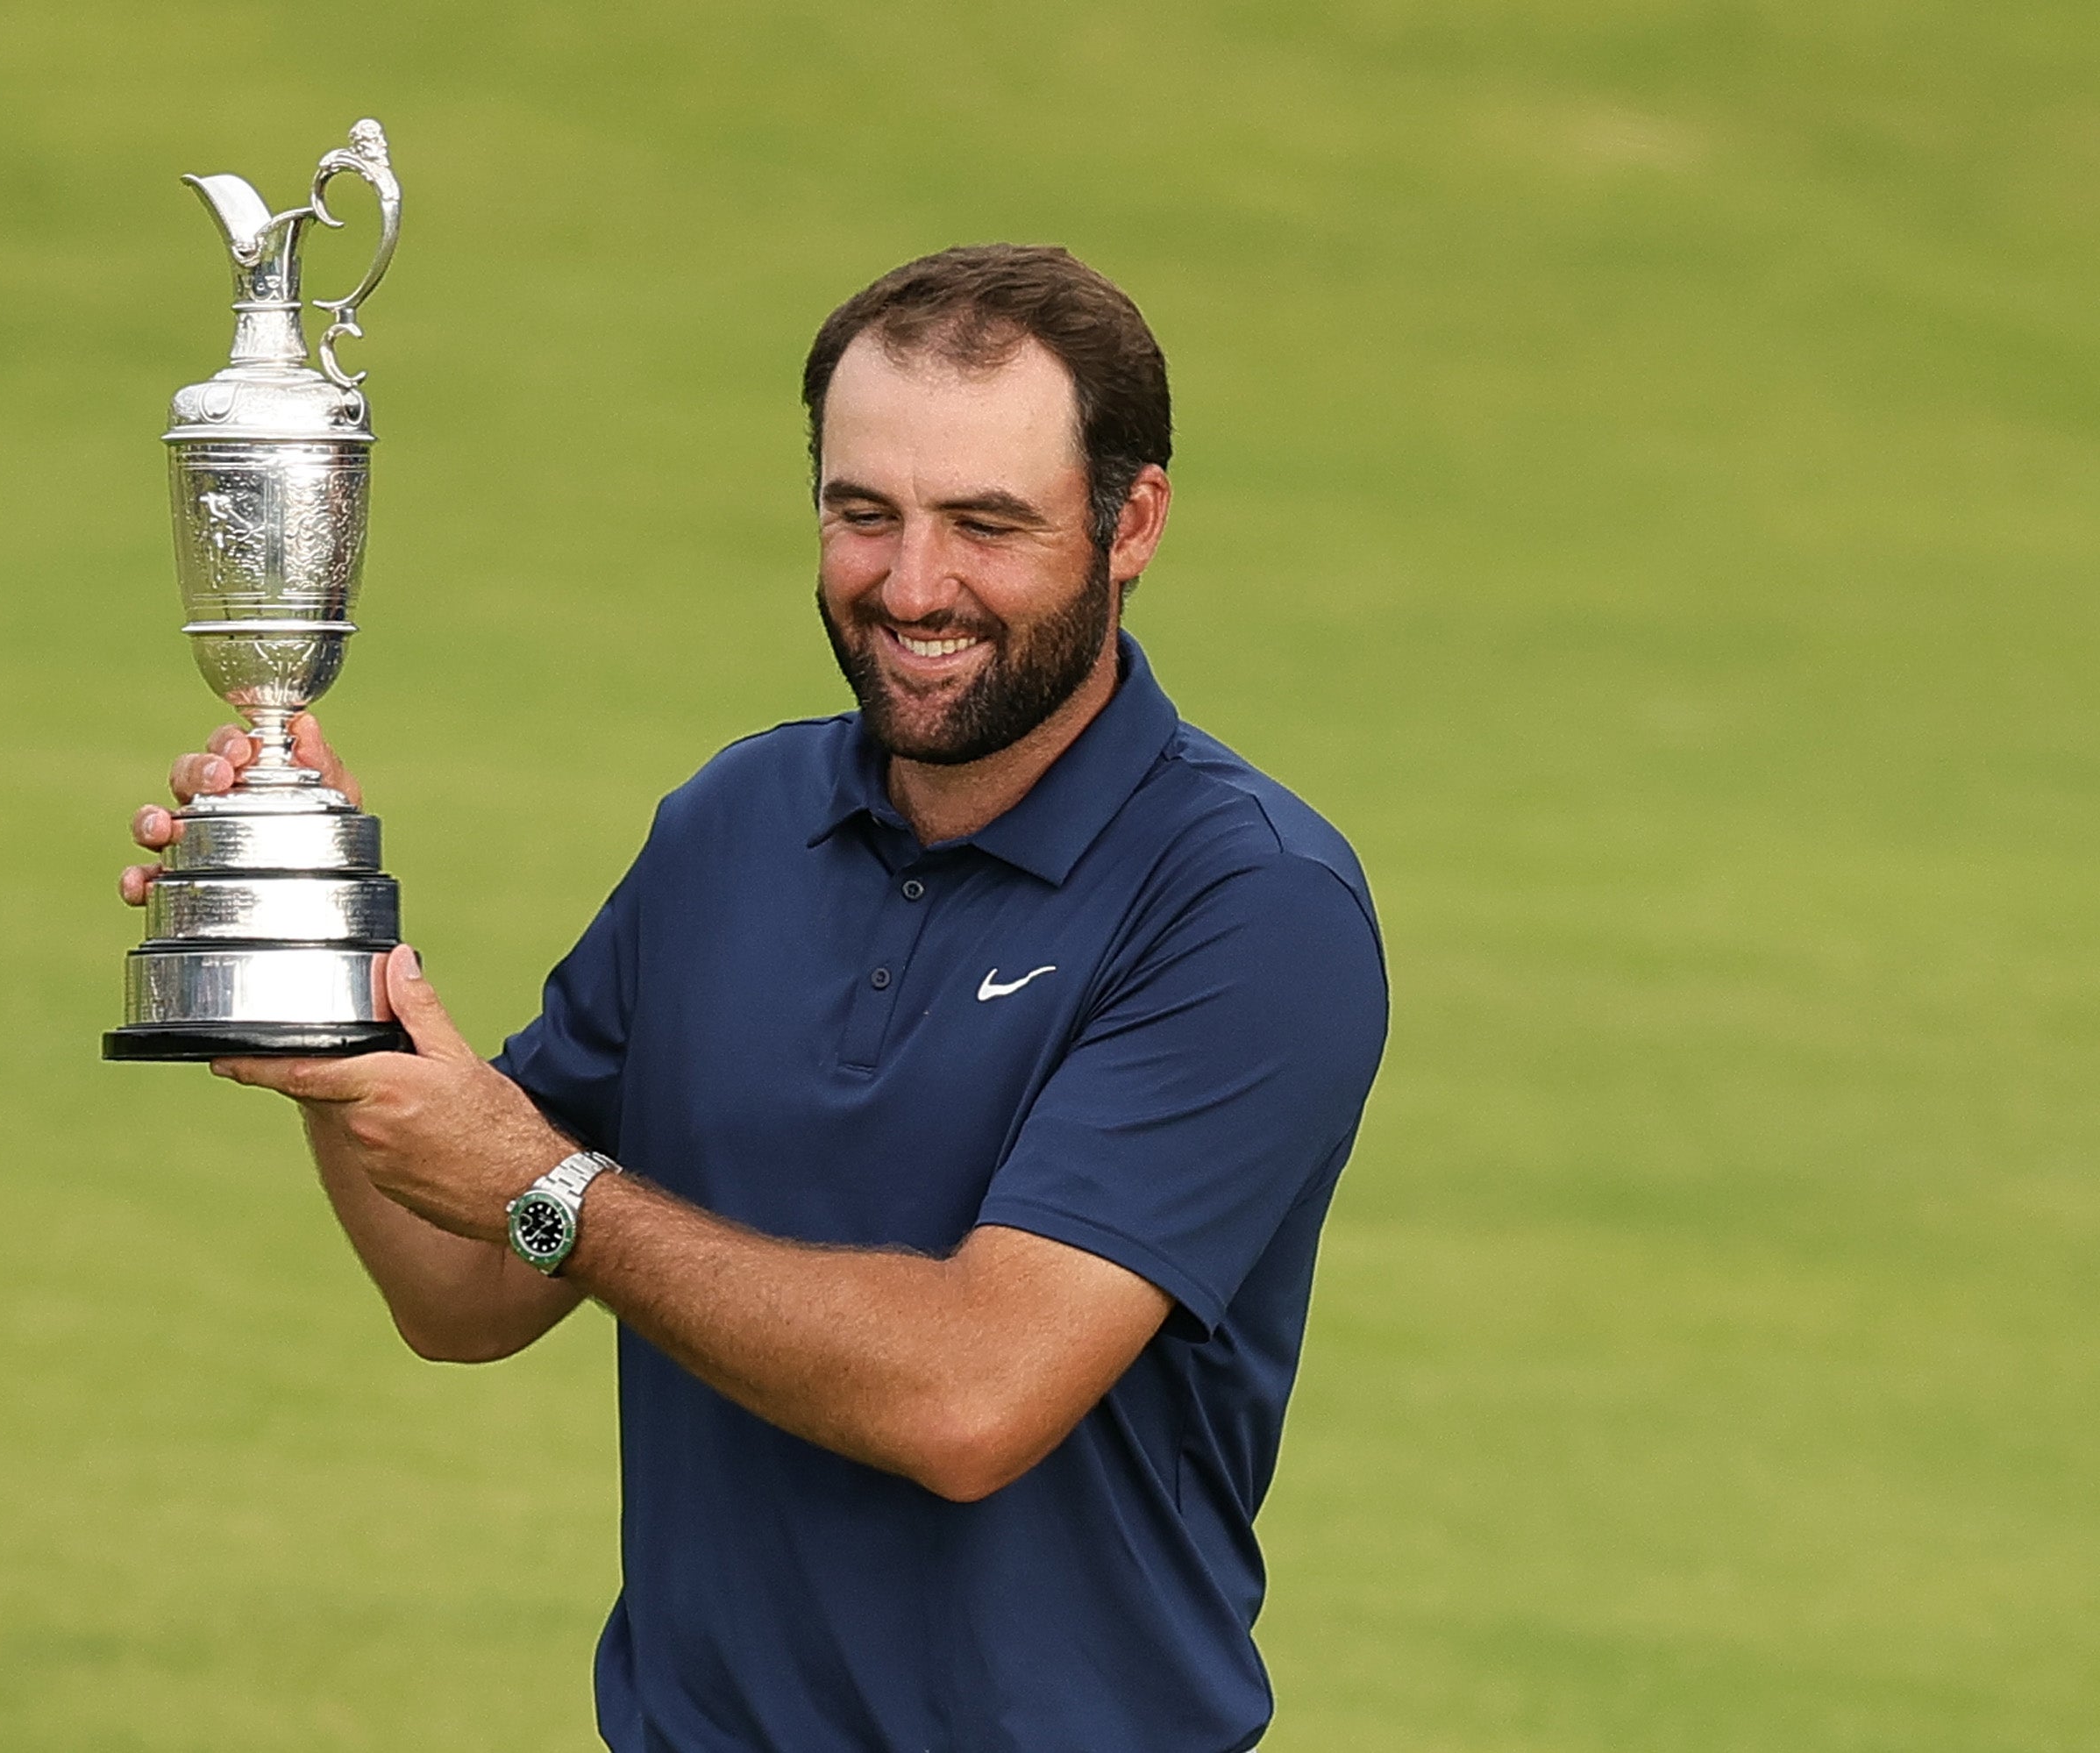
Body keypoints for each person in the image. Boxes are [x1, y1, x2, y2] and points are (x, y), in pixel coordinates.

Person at [121, 245, 1388, 1751]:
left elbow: (970, 1399)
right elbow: (465, 1292)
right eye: (865, 514)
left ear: (1133, 524)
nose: (914, 587)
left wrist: (551, 1189)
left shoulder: (1247, 903)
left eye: (987, 522)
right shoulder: (738, 820)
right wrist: (317, 982)